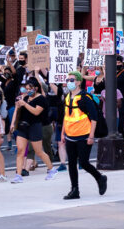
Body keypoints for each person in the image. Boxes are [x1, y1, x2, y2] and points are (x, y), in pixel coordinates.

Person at [61, 71, 107, 200]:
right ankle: (74, 189)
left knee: (84, 162)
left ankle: (100, 177)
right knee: (71, 163)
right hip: (70, 134)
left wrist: (91, 136)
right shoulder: (67, 97)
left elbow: (94, 118)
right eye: (68, 79)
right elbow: (66, 116)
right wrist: (62, 133)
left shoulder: (85, 97)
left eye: (72, 80)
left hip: (83, 135)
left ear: (79, 82)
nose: (69, 82)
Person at [10, 77, 58, 184]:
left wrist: (25, 104)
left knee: (39, 151)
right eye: (26, 88)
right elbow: (17, 110)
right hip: (23, 126)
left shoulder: (41, 99)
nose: (27, 90)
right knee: (20, 151)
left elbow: (36, 112)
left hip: (35, 126)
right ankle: (18, 175)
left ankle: (51, 169)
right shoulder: (24, 97)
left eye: (30, 88)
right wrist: (13, 123)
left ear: (36, 88)